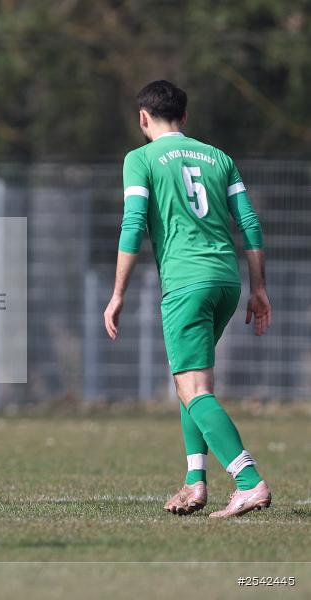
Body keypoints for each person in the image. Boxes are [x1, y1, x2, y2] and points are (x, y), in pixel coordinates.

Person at [104, 80, 272, 518]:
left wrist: (118, 292)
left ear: (143, 118)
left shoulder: (141, 159)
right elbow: (249, 223)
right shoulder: (219, 157)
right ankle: (195, 483)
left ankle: (248, 480)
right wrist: (258, 288)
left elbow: (133, 224)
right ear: (185, 117)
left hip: (186, 283)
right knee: (190, 384)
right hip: (226, 282)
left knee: (193, 387)